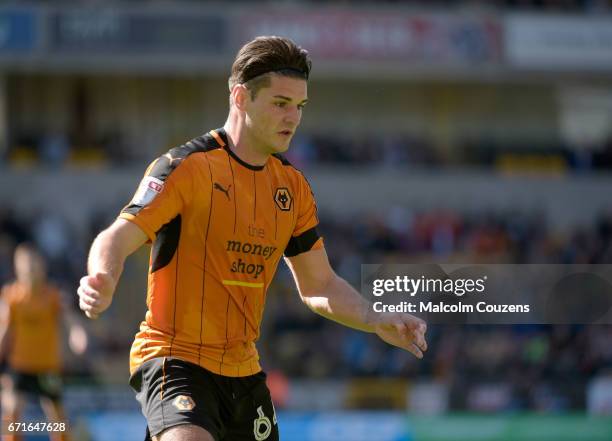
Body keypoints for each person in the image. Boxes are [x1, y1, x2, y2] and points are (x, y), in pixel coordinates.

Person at [77, 36, 428, 441]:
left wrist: (372, 317)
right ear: (241, 97)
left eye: (300, 106)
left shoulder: (292, 188)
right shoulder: (186, 167)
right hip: (175, 360)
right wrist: (101, 277)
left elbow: (319, 284)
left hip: (244, 374)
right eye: (281, 103)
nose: (293, 118)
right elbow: (117, 236)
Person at [0, 243, 87, 441]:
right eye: (25, 263)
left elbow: (69, 319)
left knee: (56, 418)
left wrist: (77, 333)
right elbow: (4, 330)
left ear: (42, 266)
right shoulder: (11, 297)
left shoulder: (53, 295)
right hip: (19, 365)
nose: (30, 268)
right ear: (17, 267)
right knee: (11, 410)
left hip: (47, 366)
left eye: (34, 263)